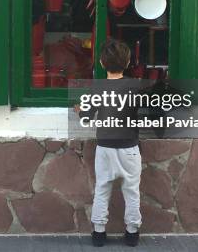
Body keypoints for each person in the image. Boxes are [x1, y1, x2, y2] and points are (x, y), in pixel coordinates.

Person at [76, 39, 144, 247]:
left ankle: (99, 233)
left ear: (102, 63)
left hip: (105, 147)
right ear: (128, 62)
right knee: (132, 191)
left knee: (102, 189)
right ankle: (132, 233)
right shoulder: (136, 87)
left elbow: (86, 117)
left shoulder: (98, 87)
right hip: (130, 148)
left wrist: (79, 108)